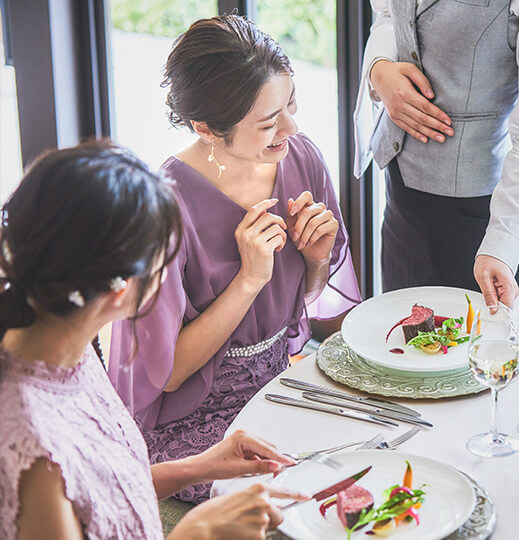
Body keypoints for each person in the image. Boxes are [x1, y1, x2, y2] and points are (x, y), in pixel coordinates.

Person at [108, 15, 361, 504]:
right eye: (268, 123)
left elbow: (304, 304)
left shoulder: (301, 157)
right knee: (297, 497)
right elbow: (166, 375)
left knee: (372, 455)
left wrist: (318, 258)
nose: (290, 128)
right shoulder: (163, 211)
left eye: (290, 105)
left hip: (279, 383)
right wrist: (248, 280)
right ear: (205, 128)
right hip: (191, 419)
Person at [0, 142, 308, 539]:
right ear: (119, 292)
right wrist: (194, 533)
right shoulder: (33, 449)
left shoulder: (65, 345)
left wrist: (199, 466)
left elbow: (102, 498)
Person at [353, 0, 519, 307]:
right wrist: (379, 67)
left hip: (488, 225)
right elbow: (391, 12)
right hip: (404, 208)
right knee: (402, 332)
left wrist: (504, 245)